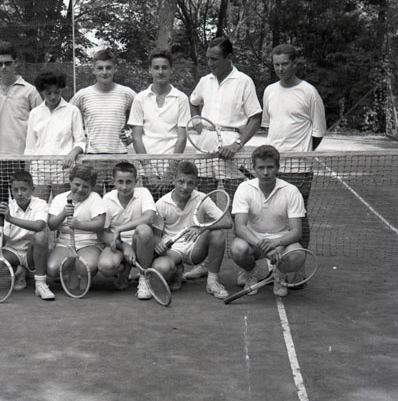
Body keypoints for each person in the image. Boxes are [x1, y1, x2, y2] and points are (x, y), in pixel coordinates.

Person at [261, 43, 326, 247]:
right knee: (274, 217)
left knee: (298, 218)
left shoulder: (309, 92)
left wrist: (301, 153)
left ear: (294, 63)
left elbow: (318, 132)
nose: (280, 69)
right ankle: (276, 260)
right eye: (276, 64)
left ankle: (299, 260)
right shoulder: (269, 91)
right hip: (273, 168)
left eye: (285, 64)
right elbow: (269, 126)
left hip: (299, 170)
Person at [230, 145, 307, 298]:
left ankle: (279, 275)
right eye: (261, 167)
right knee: (237, 248)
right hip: (254, 242)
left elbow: (296, 232)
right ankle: (251, 273)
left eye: (270, 167)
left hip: (281, 243)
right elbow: (240, 227)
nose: (265, 172)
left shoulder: (291, 191)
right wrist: (262, 245)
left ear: (278, 167)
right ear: (254, 168)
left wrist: (275, 243)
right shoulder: (244, 188)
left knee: (298, 254)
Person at [189, 37, 262, 197]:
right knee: (205, 199)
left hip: (231, 146)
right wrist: (197, 122)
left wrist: (236, 145)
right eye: (208, 58)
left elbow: (255, 118)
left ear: (229, 58)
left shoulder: (244, 81)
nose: (210, 63)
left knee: (236, 199)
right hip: (205, 144)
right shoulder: (205, 81)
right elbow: (193, 102)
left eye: (214, 59)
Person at [152, 161, 232, 299]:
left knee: (217, 234)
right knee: (161, 269)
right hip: (173, 249)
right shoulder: (162, 203)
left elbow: (227, 222)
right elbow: (156, 235)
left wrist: (202, 227)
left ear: (196, 183)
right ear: (173, 180)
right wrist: (158, 245)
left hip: (195, 247)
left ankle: (212, 282)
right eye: (181, 182)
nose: (185, 187)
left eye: (190, 183)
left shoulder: (201, 198)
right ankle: (176, 269)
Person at [0, 41, 42, 203]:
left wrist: (32, 158)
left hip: (22, 158)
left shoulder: (30, 91)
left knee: (23, 204)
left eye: (8, 63)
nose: (4, 67)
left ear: (16, 63)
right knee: (0, 205)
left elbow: (41, 124)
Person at [128, 49, 191, 195]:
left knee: (171, 207)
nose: (160, 72)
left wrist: (170, 171)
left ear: (171, 70)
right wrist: (148, 170)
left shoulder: (181, 98)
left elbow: (182, 138)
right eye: (156, 68)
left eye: (164, 67)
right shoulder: (140, 98)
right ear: (150, 70)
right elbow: (136, 137)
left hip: (172, 168)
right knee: (150, 207)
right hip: (148, 168)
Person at [98, 161, 157, 300]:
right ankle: (124, 271)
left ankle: (144, 278)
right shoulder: (107, 198)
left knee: (144, 230)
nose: (124, 187)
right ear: (113, 181)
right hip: (118, 244)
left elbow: (149, 218)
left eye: (129, 182)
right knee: (105, 267)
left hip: (142, 241)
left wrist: (120, 228)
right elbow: (102, 233)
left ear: (136, 181)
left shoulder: (144, 193)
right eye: (120, 182)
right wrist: (125, 246)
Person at [25, 71, 86, 200]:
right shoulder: (35, 113)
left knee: (63, 207)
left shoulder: (72, 111)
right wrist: (27, 173)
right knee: (38, 207)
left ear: (62, 89)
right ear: (42, 92)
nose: (53, 96)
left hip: (63, 169)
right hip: (39, 170)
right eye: (48, 93)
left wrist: (72, 154)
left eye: (57, 92)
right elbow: (30, 147)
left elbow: (80, 141)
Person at [0, 170, 55, 301]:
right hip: (13, 250)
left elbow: (39, 226)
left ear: (32, 189)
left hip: (32, 252)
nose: (19, 193)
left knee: (40, 237)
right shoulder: (8, 207)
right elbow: (2, 241)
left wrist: (10, 219)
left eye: (24, 189)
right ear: (11, 191)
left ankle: (40, 283)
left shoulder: (41, 204)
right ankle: (19, 271)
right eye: (15, 190)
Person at [47, 165, 106, 283]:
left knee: (85, 268)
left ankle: (84, 275)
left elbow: (100, 224)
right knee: (52, 269)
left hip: (90, 243)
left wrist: (79, 225)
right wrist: (63, 214)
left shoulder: (95, 198)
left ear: (92, 186)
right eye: (77, 184)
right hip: (65, 244)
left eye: (85, 187)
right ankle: (71, 271)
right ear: (70, 181)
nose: (80, 189)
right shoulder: (59, 199)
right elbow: (51, 225)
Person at [70, 49, 136, 155]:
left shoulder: (127, 93)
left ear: (115, 69)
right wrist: (80, 139)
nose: (104, 72)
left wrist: (131, 137)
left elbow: (146, 116)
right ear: (94, 70)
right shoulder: (82, 95)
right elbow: (66, 117)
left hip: (119, 156)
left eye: (108, 68)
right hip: (91, 156)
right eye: (100, 68)